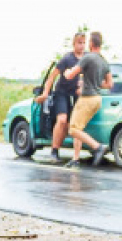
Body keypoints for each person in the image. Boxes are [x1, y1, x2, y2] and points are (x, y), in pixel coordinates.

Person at [35, 33, 86, 163]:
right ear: (74, 44)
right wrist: (45, 93)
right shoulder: (67, 59)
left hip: (76, 94)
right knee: (62, 120)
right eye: (79, 43)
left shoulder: (86, 58)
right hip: (62, 92)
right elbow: (52, 77)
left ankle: (76, 157)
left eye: (83, 43)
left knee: (73, 125)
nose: (81, 46)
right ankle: (54, 151)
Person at [67, 31, 112, 167]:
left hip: (86, 99)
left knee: (73, 129)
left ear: (91, 43)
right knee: (79, 129)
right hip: (97, 99)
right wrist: (95, 83)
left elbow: (71, 75)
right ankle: (75, 159)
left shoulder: (88, 58)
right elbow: (109, 84)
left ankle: (97, 147)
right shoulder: (104, 61)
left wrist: (66, 72)